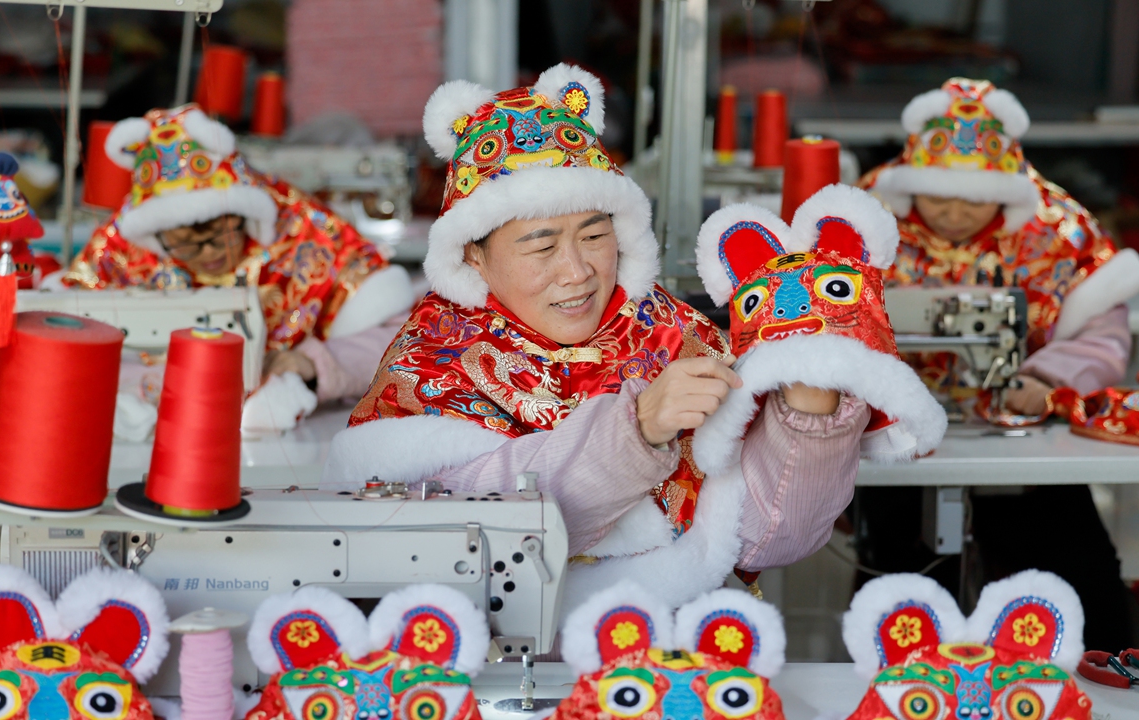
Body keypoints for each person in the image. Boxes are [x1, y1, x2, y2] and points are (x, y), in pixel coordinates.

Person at [322, 65, 945, 610]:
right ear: (473, 257)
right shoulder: (436, 358)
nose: (578, 271)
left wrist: (809, 409)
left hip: (665, 659)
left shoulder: (672, 334)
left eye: (595, 236)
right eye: (540, 246)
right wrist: (635, 430)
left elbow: (768, 536)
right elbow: (461, 532)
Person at [857, 77, 1139, 650]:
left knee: (1073, 583)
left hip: (1023, 443)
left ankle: (1091, 675)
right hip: (893, 438)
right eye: (939, 199)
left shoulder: (1056, 231)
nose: (955, 214)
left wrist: (1046, 377)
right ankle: (898, 679)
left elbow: (1102, 330)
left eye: (972, 201)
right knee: (898, 585)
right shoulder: (865, 222)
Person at [61, 105, 415, 414]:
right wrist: (154, 381)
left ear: (245, 216)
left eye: (219, 236)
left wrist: (316, 364)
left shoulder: (304, 238)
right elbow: (66, 349)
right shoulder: (122, 255)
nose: (209, 253)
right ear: (157, 237)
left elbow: (405, 342)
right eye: (185, 245)